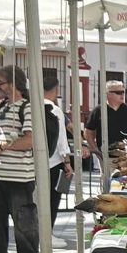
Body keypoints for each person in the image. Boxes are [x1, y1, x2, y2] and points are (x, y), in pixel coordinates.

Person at [0, 66, 39, 253]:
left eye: (0, 82)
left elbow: (29, 141)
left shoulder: (27, 108)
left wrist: (2, 146)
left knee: (24, 220)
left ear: (14, 84)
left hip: (20, 175)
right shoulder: (0, 107)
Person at [42, 73, 72, 232]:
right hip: (54, 162)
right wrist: (67, 162)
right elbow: (62, 141)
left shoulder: (30, 106)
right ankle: (48, 233)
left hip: (33, 162)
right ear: (56, 89)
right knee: (52, 201)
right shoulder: (54, 109)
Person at [84, 81, 127, 159]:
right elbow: (88, 133)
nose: (122, 95)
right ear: (108, 94)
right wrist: (96, 151)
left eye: (123, 92)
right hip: (106, 155)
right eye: (118, 92)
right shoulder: (98, 111)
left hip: (126, 155)